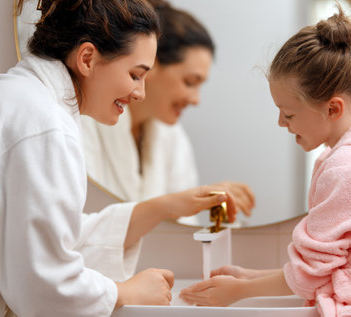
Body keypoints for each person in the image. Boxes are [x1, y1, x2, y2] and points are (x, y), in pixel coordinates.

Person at [179, 5, 351, 316]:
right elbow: (326, 265)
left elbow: (312, 272)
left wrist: (239, 291)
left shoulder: (349, 166)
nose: (281, 123)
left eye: (289, 114)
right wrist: (249, 276)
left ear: (333, 109)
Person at [0, 0, 239, 315]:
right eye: (136, 75)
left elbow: (41, 241)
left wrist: (161, 207)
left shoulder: (22, 99)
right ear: (87, 58)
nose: (140, 93)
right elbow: (43, 283)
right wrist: (123, 291)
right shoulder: (46, 126)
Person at [81, 0, 256, 214]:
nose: (196, 100)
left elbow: (182, 226)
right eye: (190, 82)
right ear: (151, 64)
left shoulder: (172, 137)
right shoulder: (86, 121)